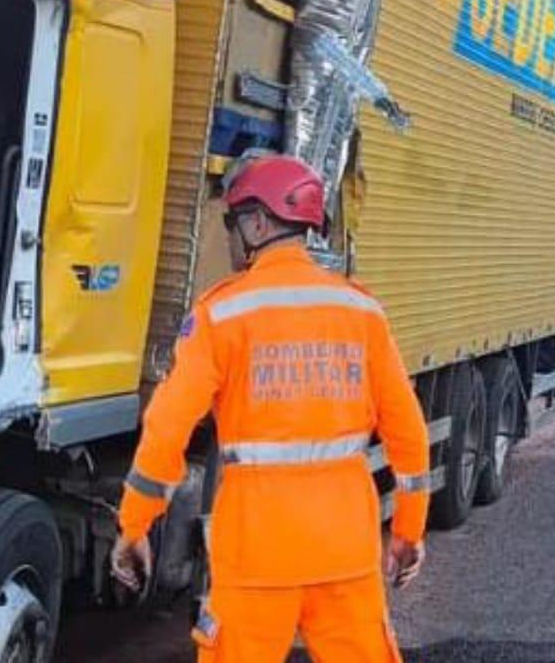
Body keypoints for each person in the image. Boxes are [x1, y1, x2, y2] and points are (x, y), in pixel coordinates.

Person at [111, 155, 431, 662]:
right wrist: (409, 529)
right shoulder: (361, 313)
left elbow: (167, 428)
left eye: (232, 221)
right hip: (344, 550)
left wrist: (134, 526)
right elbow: (409, 434)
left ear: (258, 222)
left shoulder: (223, 314)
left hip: (256, 554)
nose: (231, 236)